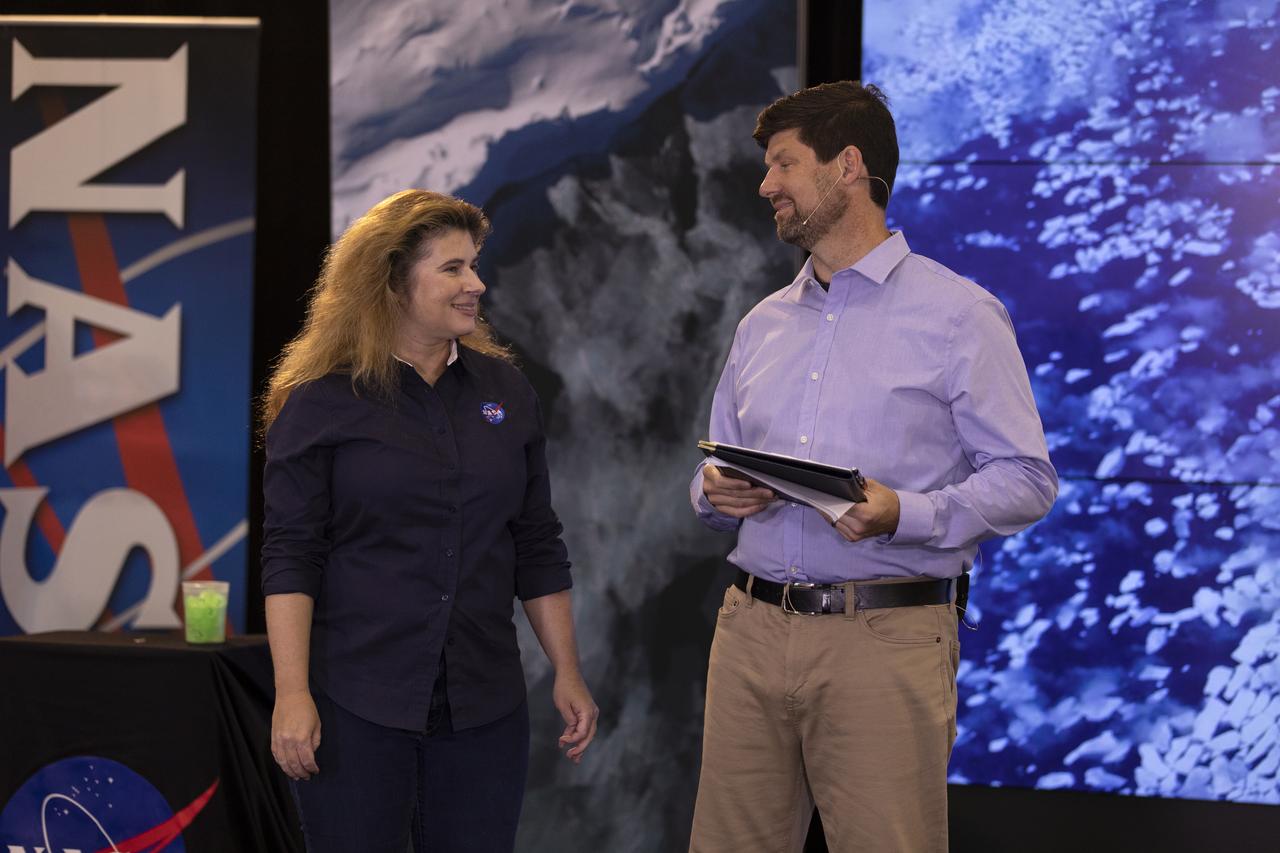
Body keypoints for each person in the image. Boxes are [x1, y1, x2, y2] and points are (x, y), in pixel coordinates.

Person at [688, 82, 1058, 852]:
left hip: (884, 635)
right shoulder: (763, 324)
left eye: (783, 163)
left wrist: (906, 513)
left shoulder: (960, 315)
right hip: (749, 633)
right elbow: (709, 468)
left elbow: (1027, 478)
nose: (766, 185)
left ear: (847, 165)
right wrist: (716, 490)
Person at [260, 189, 598, 853]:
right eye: (453, 268)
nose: (477, 283)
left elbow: (535, 541)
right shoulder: (319, 402)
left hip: (485, 704)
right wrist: (292, 693)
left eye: (474, 264)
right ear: (390, 281)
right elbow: (290, 554)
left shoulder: (507, 393)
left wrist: (567, 669)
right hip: (354, 703)